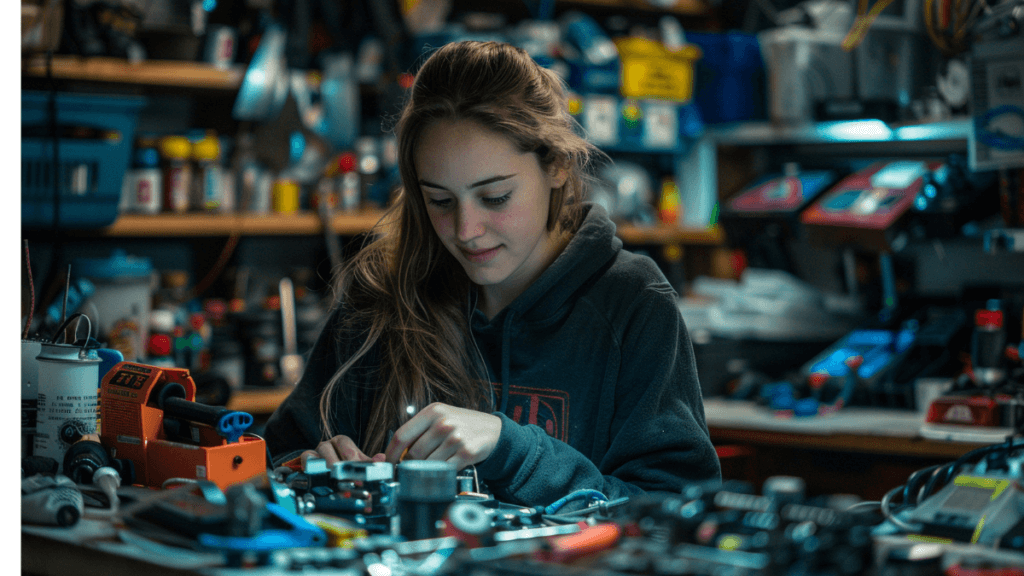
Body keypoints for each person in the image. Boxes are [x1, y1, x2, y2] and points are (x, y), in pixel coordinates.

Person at [264, 40, 721, 507]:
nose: (466, 231)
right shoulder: (380, 296)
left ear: (558, 166)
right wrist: (309, 470)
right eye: (440, 201)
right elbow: (273, 459)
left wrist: (512, 451)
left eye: (495, 197)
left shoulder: (632, 303)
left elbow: (675, 513)